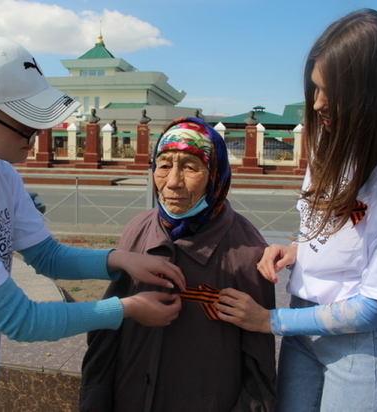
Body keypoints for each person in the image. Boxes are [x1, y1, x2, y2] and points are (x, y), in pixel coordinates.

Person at [0, 34, 186, 411]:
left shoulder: (1, 173)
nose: (38, 135)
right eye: (25, 123)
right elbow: (21, 320)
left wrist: (121, 260)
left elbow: (47, 256)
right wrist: (126, 308)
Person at [215, 9, 377, 412]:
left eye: (332, 91)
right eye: (314, 88)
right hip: (303, 330)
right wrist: (296, 248)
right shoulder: (328, 145)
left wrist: (269, 322)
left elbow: (372, 307)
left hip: (360, 347)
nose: (317, 104)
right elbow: (324, 230)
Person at [80, 117, 277, 412]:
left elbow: (258, 362)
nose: (172, 182)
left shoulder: (246, 250)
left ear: (215, 174)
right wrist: (95, 398)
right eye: (164, 165)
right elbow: (109, 328)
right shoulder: (139, 228)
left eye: (189, 166)